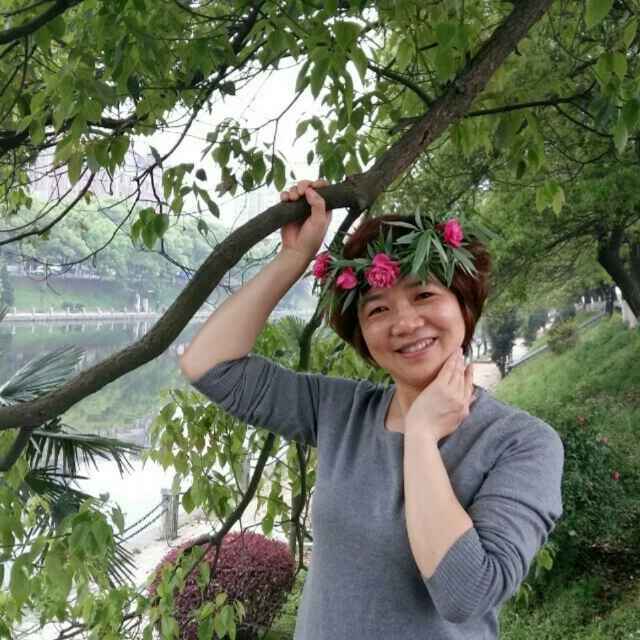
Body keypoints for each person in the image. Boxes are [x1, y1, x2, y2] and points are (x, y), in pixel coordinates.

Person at [179, 179, 564, 640]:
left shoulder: (521, 443)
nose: (405, 323)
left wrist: (421, 435)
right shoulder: (340, 410)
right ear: (362, 334)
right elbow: (209, 366)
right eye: (377, 309)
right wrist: (294, 258)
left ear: (463, 305)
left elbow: (466, 593)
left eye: (424, 295)